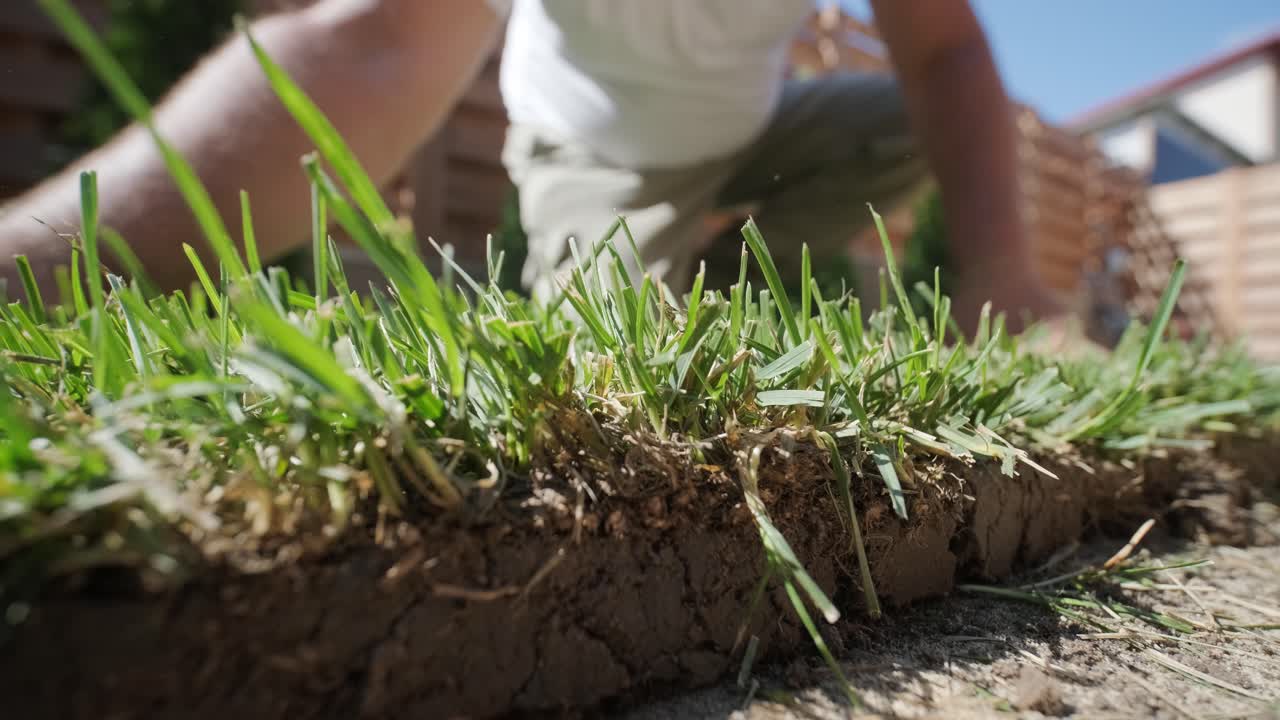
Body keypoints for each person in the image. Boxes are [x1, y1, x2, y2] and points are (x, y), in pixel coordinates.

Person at [0, 0, 1063, 333]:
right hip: (598, 146)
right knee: (621, 347)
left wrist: (996, 270)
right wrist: (46, 262)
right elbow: (375, 45)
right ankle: (654, 277)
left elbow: (945, 52)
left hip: (756, 129)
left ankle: (728, 275)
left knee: (892, 122)